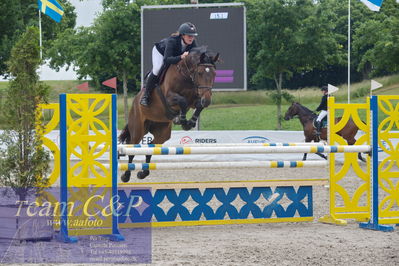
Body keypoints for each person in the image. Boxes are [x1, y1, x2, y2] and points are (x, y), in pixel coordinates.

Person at [140, 22, 198, 106]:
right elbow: (167, 59)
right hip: (160, 52)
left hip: (173, 55)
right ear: (182, 35)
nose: (191, 38)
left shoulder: (192, 42)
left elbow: (196, 55)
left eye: (193, 36)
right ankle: (146, 95)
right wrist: (181, 57)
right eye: (189, 36)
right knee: (157, 69)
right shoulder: (172, 41)